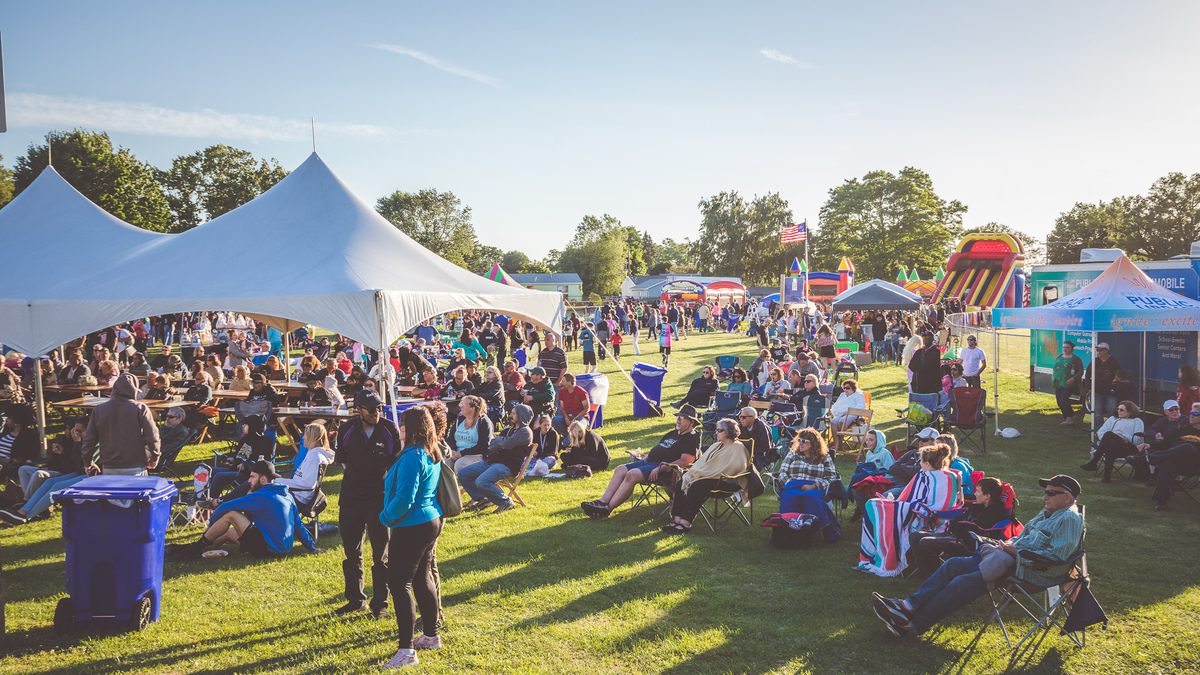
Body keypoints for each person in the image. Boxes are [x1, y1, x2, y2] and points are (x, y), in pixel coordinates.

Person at [871, 475, 1085, 638]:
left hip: (1032, 572)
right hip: (1008, 558)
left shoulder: (1069, 519)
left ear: (1067, 497)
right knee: (953, 564)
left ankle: (912, 625)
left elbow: (1057, 557)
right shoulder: (1048, 512)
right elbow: (1023, 537)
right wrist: (1005, 546)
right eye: (1046, 491)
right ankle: (906, 606)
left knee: (963, 583)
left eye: (1051, 493)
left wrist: (1016, 552)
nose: (1045, 496)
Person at [379, 406, 445, 668]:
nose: (400, 427)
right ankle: (431, 635)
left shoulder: (412, 456)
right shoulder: (431, 451)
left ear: (413, 427)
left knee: (399, 584)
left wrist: (385, 517)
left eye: (403, 422)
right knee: (421, 577)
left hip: (412, 524)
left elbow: (405, 497)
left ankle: (406, 651)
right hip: (430, 520)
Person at [166, 461, 323, 561]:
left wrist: (211, 523)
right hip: (282, 548)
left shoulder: (261, 496)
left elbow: (226, 506)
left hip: (269, 551)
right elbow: (298, 525)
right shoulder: (286, 494)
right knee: (227, 532)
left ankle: (192, 549)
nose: (249, 481)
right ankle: (194, 547)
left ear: (263, 479)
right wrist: (311, 548)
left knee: (232, 515)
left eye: (252, 477)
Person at [334, 390, 402, 618]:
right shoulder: (346, 430)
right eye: (372, 409)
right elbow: (342, 461)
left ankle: (380, 603)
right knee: (351, 553)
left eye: (379, 408)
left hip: (378, 499)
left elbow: (395, 461)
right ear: (358, 410)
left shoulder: (389, 428)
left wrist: (385, 481)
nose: (377, 412)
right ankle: (355, 600)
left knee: (381, 555)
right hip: (351, 499)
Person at [856, 443, 963, 576]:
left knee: (873, 506)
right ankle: (877, 552)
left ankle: (877, 555)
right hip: (943, 522)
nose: (919, 465)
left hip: (923, 521)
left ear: (928, 463)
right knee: (880, 505)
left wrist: (897, 504)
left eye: (921, 462)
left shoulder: (926, 477)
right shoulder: (951, 476)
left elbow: (916, 503)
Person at [582, 405, 702, 518]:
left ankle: (606, 510)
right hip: (649, 462)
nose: (678, 419)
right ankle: (602, 502)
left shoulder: (692, 437)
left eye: (683, 418)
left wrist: (661, 466)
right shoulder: (672, 433)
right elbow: (660, 447)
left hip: (663, 469)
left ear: (692, 422)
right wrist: (643, 458)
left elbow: (686, 460)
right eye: (678, 416)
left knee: (632, 474)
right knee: (620, 469)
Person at [660, 418, 751, 535]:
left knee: (697, 486)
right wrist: (700, 472)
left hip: (725, 481)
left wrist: (710, 473)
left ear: (728, 432)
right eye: (716, 430)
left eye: (719, 430)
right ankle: (677, 519)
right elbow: (704, 463)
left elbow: (737, 467)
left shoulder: (738, 448)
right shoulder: (717, 445)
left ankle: (686, 523)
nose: (716, 432)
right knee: (684, 480)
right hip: (710, 476)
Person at [907, 477, 1008, 578]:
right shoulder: (975, 506)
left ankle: (939, 578)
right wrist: (961, 526)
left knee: (926, 542)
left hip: (968, 543)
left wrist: (961, 526)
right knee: (914, 536)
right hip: (957, 535)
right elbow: (956, 523)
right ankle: (928, 575)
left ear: (987, 496)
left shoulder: (995, 513)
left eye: (978, 491)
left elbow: (974, 529)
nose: (975, 494)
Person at [0, 417, 94, 525]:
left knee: (55, 485)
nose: (74, 433)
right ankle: (22, 510)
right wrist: (51, 463)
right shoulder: (69, 440)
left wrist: (76, 444)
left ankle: (26, 515)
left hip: (87, 474)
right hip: (78, 472)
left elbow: (78, 465)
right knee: (42, 479)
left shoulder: (89, 442)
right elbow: (65, 463)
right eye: (73, 430)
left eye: (79, 431)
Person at [458, 404, 535, 514]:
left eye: (514, 413)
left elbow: (507, 443)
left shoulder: (525, 432)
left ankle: (506, 502)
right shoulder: (509, 430)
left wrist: (501, 441)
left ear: (522, 415)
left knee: (482, 481)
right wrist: (502, 442)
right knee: (463, 473)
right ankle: (484, 498)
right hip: (492, 461)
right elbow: (492, 444)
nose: (511, 415)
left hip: (507, 465)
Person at [79, 374, 160, 476]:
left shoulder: (99, 410)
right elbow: (152, 437)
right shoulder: (140, 408)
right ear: (134, 390)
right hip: (135, 465)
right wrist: (154, 457)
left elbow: (89, 439)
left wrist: (88, 462)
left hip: (109, 465)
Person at [1081, 400, 1145, 482]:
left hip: (1128, 447)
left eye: (1121, 410)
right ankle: (1106, 476)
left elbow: (1139, 440)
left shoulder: (1137, 421)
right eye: (1118, 409)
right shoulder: (1112, 419)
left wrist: (1124, 437)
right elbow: (1100, 433)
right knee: (1112, 442)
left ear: (1129, 412)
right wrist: (1117, 436)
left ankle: (1095, 461)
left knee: (1109, 434)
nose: (1118, 411)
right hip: (1111, 445)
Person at [771, 427, 839, 491]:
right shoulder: (793, 455)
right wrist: (792, 485)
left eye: (803, 441)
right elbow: (782, 473)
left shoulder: (824, 457)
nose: (800, 443)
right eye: (799, 440)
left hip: (814, 490)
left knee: (812, 499)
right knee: (790, 497)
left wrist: (814, 486)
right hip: (792, 488)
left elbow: (831, 478)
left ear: (813, 443)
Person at [445, 395, 494, 471]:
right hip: (457, 452)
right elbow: (450, 438)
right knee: (445, 462)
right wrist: (453, 451)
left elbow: (484, 445)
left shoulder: (483, 422)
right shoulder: (460, 420)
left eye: (464, 405)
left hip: (476, 454)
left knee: (460, 464)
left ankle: (467, 482)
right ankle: (449, 483)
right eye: (461, 405)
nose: (461, 407)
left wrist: (462, 453)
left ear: (472, 408)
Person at [829, 379, 867, 453]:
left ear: (853, 388)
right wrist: (836, 412)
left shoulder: (859, 395)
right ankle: (837, 443)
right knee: (833, 422)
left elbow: (861, 406)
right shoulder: (842, 395)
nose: (845, 389)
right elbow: (835, 405)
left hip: (852, 414)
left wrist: (848, 412)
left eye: (848, 388)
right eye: (844, 388)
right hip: (840, 414)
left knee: (841, 422)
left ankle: (839, 443)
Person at [1053, 341, 1085, 426]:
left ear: (1071, 349)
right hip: (1059, 381)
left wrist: (1073, 379)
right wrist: (1053, 376)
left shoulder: (1075, 359)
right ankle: (1067, 418)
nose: (1065, 349)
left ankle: (1070, 416)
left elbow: (1080, 371)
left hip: (1069, 383)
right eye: (1064, 347)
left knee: (1063, 399)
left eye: (1067, 347)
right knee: (1059, 401)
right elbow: (1055, 367)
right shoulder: (1059, 357)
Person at [553, 373, 591, 437]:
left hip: (581, 417)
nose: (561, 383)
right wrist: (566, 417)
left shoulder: (582, 392)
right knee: (555, 420)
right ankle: (568, 437)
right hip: (568, 416)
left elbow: (587, 409)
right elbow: (562, 408)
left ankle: (567, 441)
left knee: (577, 426)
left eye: (563, 381)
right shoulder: (562, 391)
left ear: (569, 383)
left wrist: (575, 419)